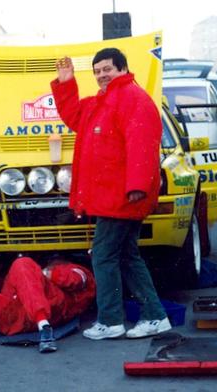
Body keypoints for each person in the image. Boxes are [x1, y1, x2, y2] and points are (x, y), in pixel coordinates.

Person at [50, 48, 171, 340]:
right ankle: (155, 316)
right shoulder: (102, 102)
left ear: (123, 68)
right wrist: (66, 83)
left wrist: (137, 187)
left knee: (103, 255)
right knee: (127, 256)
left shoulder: (133, 99)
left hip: (120, 198)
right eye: (97, 70)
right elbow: (74, 117)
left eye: (107, 69)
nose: (102, 74)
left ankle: (111, 321)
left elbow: (142, 145)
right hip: (115, 197)